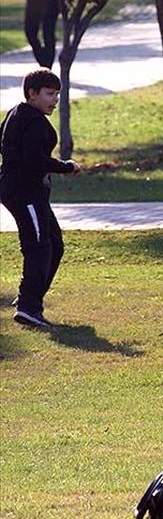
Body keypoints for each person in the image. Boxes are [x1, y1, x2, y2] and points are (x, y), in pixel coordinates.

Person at [0, 68, 80, 328]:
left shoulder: (17, 113)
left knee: (54, 245)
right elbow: (34, 161)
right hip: (24, 192)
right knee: (39, 247)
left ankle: (30, 299)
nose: (54, 100)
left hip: (29, 192)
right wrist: (66, 166)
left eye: (57, 94)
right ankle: (29, 307)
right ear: (32, 94)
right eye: (49, 94)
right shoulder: (32, 120)